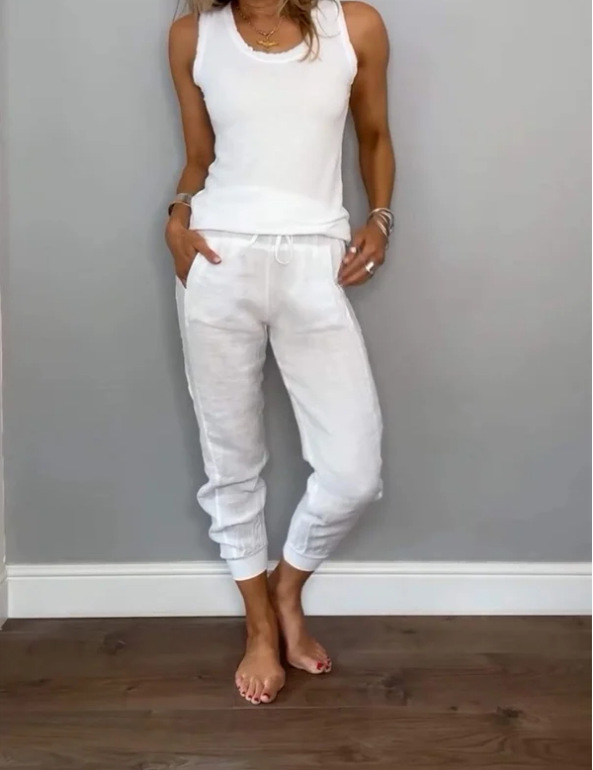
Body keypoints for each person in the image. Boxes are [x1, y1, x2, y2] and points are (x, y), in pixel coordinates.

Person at [166, 0, 395, 705]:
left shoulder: (353, 26)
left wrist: (381, 218)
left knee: (354, 471)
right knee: (230, 458)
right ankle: (260, 626)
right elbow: (199, 157)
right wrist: (175, 214)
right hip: (217, 258)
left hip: (315, 262)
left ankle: (285, 587)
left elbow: (375, 134)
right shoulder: (192, 35)